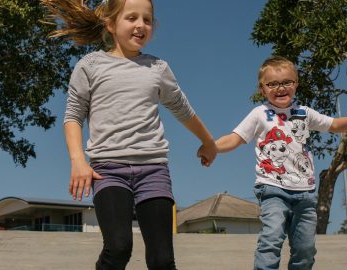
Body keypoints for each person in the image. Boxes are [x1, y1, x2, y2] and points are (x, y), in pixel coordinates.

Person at [42, 0, 217, 269]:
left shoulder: (157, 68)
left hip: (153, 170)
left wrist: (208, 142)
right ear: (111, 24)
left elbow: (182, 109)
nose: (141, 25)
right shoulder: (90, 65)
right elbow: (73, 116)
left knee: (162, 259)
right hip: (108, 171)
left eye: (147, 20)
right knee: (119, 248)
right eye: (132, 18)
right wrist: (78, 161)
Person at [214, 56, 347, 270]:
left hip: (305, 193)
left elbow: (334, 124)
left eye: (287, 82)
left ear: (296, 84)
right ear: (263, 89)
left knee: (305, 249)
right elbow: (235, 138)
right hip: (272, 189)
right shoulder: (260, 114)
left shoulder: (305, 113)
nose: (280, 88)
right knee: (271, 238)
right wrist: (213, 146)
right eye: (272, 84)